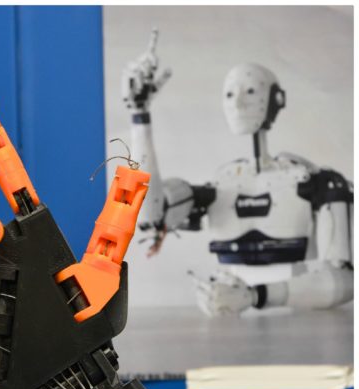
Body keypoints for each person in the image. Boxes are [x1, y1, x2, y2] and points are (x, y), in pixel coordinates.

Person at [122, 30, 353, 316]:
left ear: (276, 99)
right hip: (226, 318)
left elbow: (344, 279)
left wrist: (256, 296)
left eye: (252, 91)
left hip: (297, 317)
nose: (239, 103)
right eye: (230, 93)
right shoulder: (220, 186)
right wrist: (140, 116)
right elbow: (147, 213)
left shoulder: (313, 181)